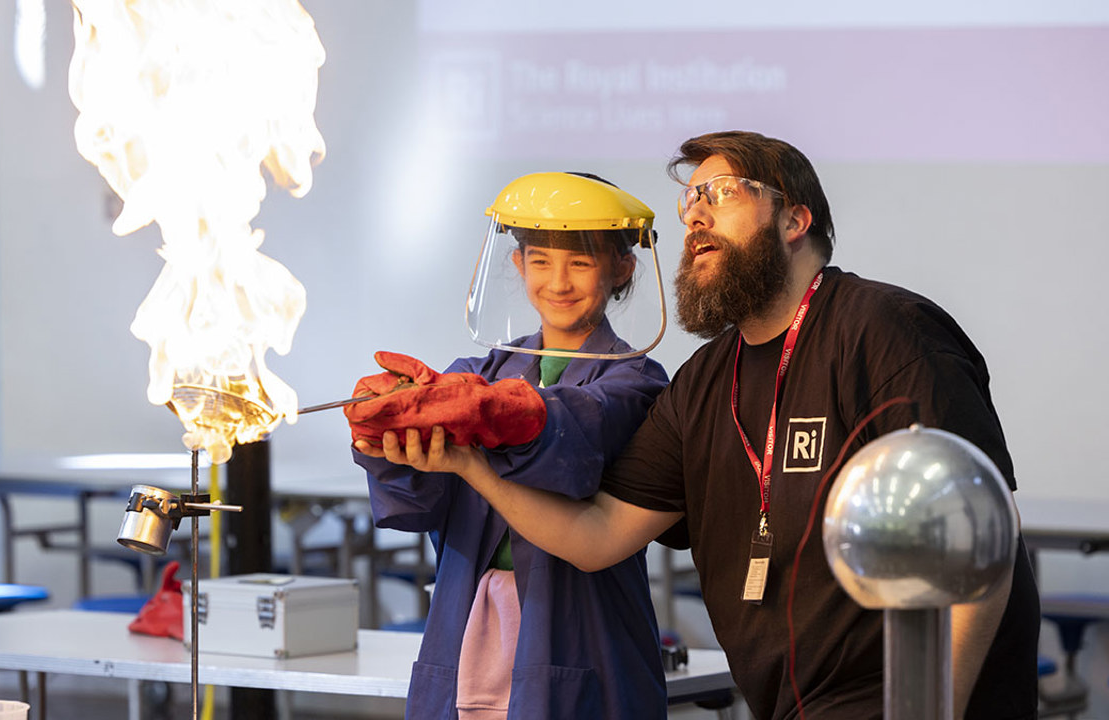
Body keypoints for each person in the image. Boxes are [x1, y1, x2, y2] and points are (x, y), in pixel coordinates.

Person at [357, 132, 1041, 720]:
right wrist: (468, 466)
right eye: (691, 203)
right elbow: (596, 537)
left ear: (795, 218)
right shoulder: (705, 384)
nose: (696, 216)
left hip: (906, 698)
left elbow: (979, 532)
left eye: (721, 193)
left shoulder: (883, 330)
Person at [347, 172, 672, 719]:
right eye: (541, 260)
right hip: (465, 624)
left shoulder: (637, 383)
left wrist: (501, 418)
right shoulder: (475, 376)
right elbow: (418, 503)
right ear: (518, 265)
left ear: (622, 267)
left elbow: (582, 431)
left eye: (582, 262)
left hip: (584, 631)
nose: (559, 281)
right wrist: (382, 439)